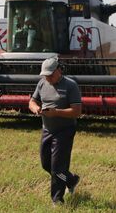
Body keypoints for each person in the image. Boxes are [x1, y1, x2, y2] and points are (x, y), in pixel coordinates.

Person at [29, 57, 82, 205]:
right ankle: (71, 180)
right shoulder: (42, 83)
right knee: (46, 164)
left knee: (57, 168)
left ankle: (57, 200)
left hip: (65, 131)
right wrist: (36, 108)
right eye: (45, 75)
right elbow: (32, 101)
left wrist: (56, 112)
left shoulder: (70, 86)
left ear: (59, 70)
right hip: (47, 130)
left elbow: (77, 111)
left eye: (50, 75)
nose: (48, 78)